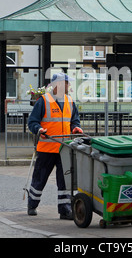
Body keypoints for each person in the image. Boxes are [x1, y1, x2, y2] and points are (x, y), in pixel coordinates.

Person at [27, 72, 83, 220]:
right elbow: (32, 122)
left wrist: (76, 128)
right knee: (40, 178)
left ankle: (65, 210)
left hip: (64, 149)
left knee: (64, 181)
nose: (68, 85)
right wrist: (39, 130)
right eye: (66, 83)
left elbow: (74, 120)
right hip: (47, 149)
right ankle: (32, 204)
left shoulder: (70, 101)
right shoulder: (43, 101)